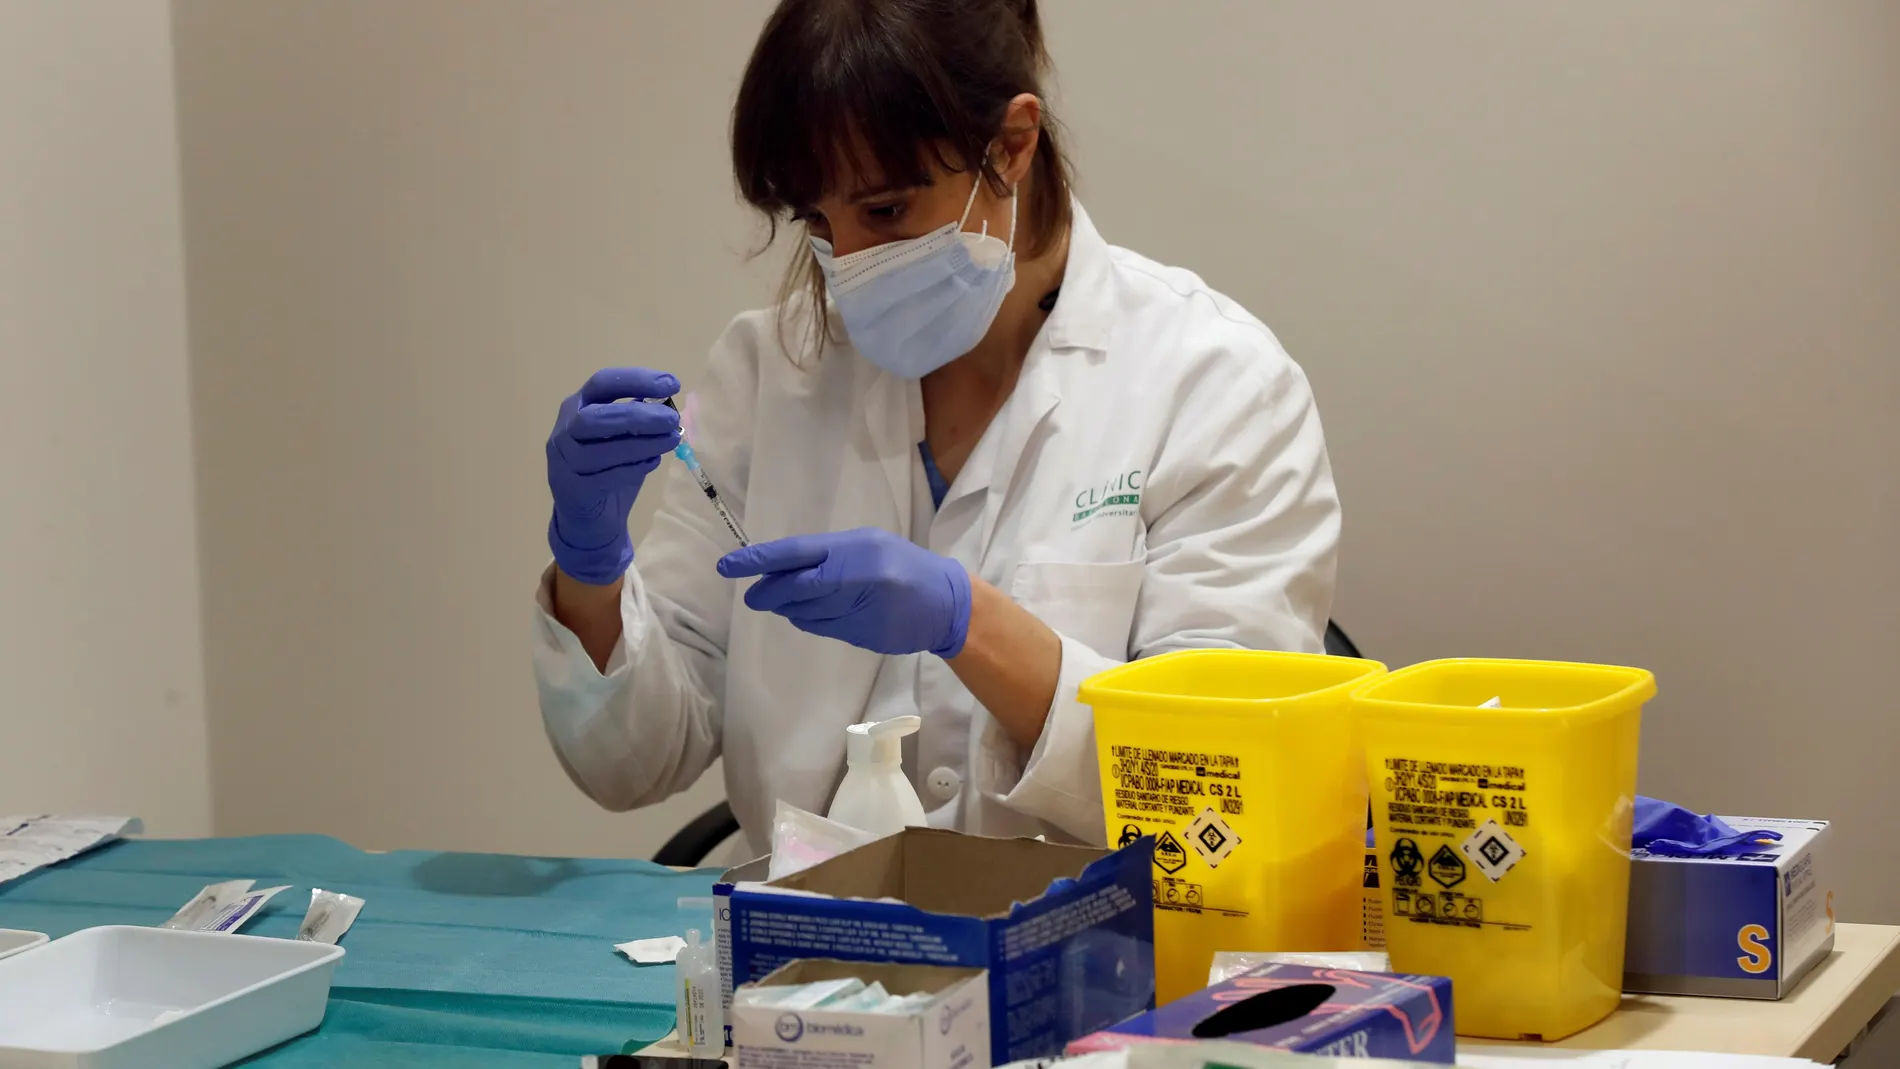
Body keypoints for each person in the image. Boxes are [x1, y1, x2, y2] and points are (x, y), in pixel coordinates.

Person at [534, 0, 1339, 855]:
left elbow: (1221, 789)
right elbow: (631, 762)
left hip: (1099, 964)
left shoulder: (1215, 384)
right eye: (816, 222)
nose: (846, 262)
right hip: (794, 960)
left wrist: (969, 625)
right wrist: (591, 570)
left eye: (883, 212)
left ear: (1011, 144)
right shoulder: (771, 369)